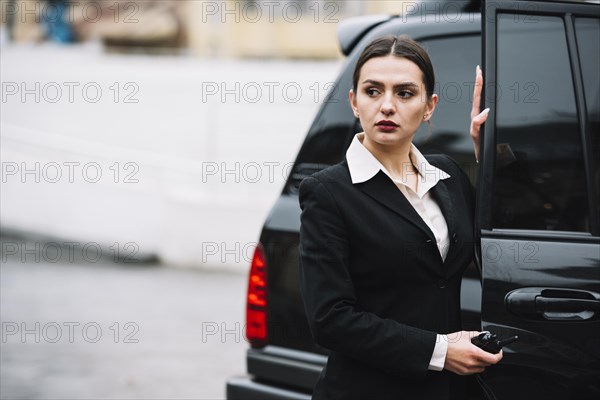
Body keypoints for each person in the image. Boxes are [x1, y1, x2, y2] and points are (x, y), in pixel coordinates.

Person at [298, 34, 500, 400]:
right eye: (373, 91)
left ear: (429, 106)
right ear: (354, 102)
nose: (387, 106)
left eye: (405, 93)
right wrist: (440, 352)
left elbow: (506, 226)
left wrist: (488, 150)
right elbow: (330, 320)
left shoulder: (448, 174)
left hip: (448, 392)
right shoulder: (327, 193)